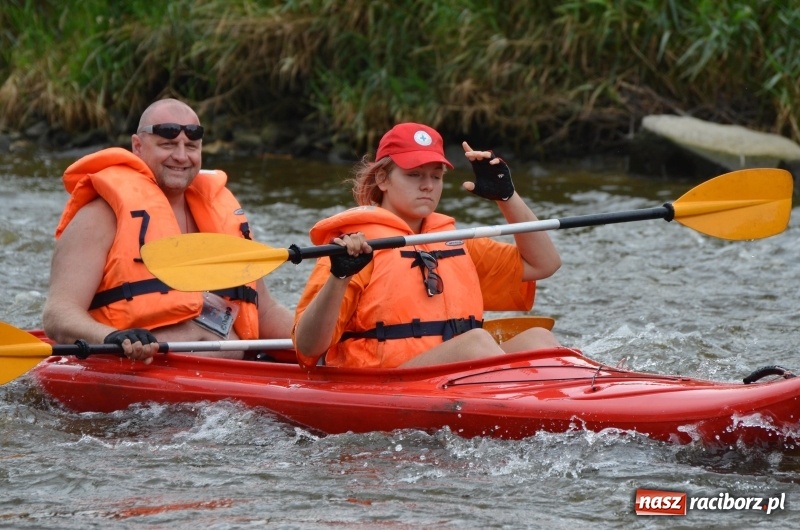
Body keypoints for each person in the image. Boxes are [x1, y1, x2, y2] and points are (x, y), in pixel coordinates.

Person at [42, 98, 293, 363]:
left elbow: (265, 313)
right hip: (138, 373)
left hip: (232, 374)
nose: (182, 156)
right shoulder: (99, 216)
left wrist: (326, 340)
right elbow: (58, 314)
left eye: (191, 146)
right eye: (168, 145)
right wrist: (113, 337)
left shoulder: (222, 214)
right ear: (137, 146)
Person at [293, 122, 562, 369]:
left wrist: (507, 197)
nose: (427, 186)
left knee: (539, 340)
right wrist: (339, 277)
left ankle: (568, 404)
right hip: (384, 381)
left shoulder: (451, 240)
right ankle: (537, 407)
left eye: (436, 176)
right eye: (414, 175)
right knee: (475, 343)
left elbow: (544, 263)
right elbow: (308, 346)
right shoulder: (353, 247)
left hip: (454, 372)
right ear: (383, 180)